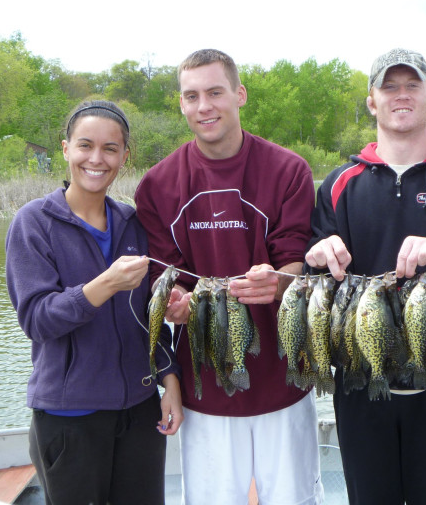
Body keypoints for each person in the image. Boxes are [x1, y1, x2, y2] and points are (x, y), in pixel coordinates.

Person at [305, 48, 426, 505]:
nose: (401, 95)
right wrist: (316, 254)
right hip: (360, 381)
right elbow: (316, 275)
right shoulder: (339, 183)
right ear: (372, 102)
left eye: (412, 85)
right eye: (389, 87)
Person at [133, 49, 322, 504]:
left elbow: (295, 264)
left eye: (215, 92)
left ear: (239, 95)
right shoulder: (156, 185)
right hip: (206, 389)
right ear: (180, 104)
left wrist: (276, 281)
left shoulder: (289, 170)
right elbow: (166, 277)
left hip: (285, 380)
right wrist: (177, 303)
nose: (204, 106)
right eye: (191, 96)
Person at [5, 100, 183, 505]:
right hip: (70, 419)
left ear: (125, 156)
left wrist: (169, 381)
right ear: (66, 148)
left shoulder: (133, 223)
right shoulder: (33, 223)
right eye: (85, 146)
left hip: (140, 412)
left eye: (110, 149)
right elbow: (37, 320)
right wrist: (103, 285)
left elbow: (149, 319)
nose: (96, 159)